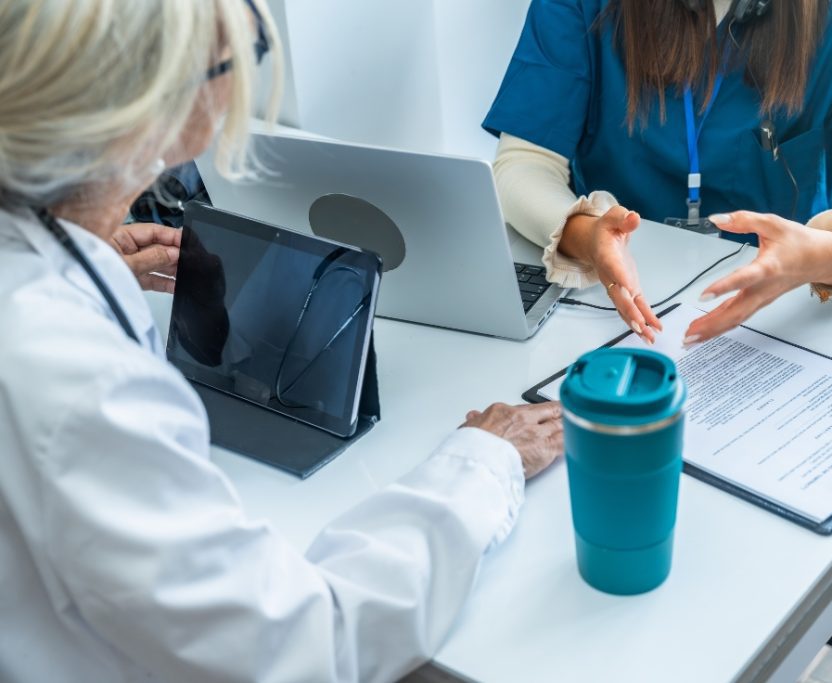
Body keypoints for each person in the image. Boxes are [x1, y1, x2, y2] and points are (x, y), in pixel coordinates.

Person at [0, 2, 562, 682]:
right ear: (155, 105)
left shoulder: (38, 290)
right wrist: (484, 462)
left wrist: (83, 262)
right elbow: (308, 644)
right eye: (243, 52)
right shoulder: (80, 381)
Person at [485, 0, 832, 345]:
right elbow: (524, 165)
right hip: (607, 309)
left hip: (781, 322)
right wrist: (584, 235)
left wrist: (828, 257)